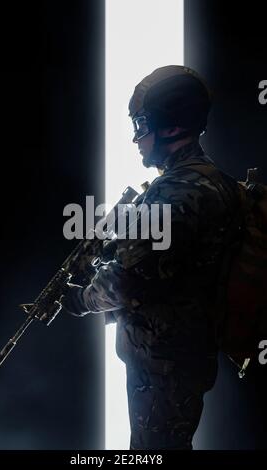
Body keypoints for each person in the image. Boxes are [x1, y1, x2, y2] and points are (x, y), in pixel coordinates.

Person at [61, 65, 240, 449]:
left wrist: (80, 299)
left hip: (162, 367)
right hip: (181, 359)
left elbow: (123, 282)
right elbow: (166, 272)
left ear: (172, 128)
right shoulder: (216, 184)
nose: (136, 138)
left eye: (142, 125)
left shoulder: (175, 192)